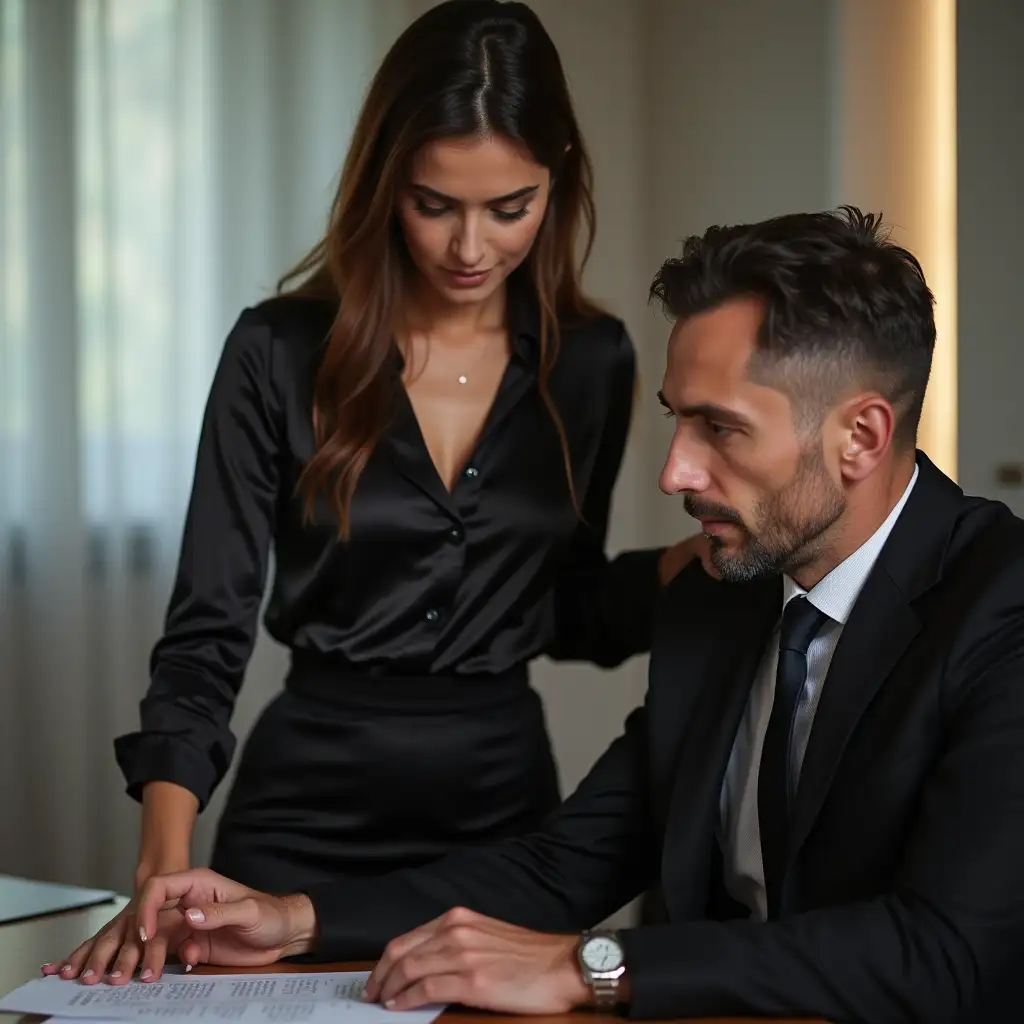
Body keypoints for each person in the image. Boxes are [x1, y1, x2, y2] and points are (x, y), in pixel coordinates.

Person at [57, 205, 1024, 1021]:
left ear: (862, 434)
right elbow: (569, 862)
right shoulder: (720, 596)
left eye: (721, 429)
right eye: (677, 419)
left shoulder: (1001, 608)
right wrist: (295, 919)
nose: (676, 472)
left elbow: (946, 952)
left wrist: (589, 968)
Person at [47, 0, 709, 987]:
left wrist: (691, 569)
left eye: (509, 206)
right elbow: (206, 631)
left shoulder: (593, 361)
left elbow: (561, 602)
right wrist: (164, 860)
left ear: (557, 177)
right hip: (297, 812)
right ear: (383, 183)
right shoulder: (275, 352)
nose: (470, 248)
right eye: (433, 203)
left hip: (500, 823)